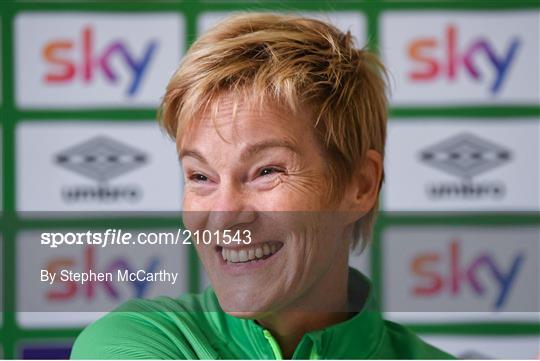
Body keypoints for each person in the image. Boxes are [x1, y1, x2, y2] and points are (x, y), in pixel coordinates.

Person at [71, 12, 454, 359]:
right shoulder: (132, 342)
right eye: (200, 177)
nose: (222, 216)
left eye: (266, 171)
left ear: (360, 185)